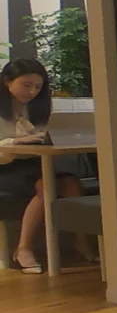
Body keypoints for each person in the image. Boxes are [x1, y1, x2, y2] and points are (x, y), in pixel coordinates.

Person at [0, 59, 86, 274]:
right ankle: (23, 249)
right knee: (45, 185)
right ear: (6, 81)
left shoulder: (38, 108)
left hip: (34, 162)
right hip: (6, 167)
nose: (32, 92)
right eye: (26, 85)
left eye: (38, 87)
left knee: (70, 183)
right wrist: (15, 142)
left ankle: (82, 242)